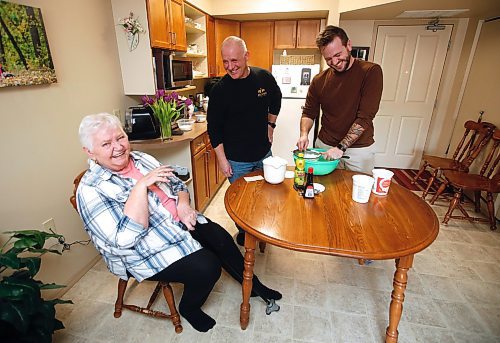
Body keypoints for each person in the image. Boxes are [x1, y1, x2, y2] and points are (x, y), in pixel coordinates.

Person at [76, 113, 281, 333]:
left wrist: (183, 206)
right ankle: (189, 307)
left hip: (179, 221)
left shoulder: (141, 159)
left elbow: (178, 187)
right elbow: (124, 240)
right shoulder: (90, 190)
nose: (118, 147)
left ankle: (254, 286)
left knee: (221, 239)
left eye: (120, 138)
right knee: (208, 267)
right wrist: (140, 186)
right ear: (89, 152)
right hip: (145, 248)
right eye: (106, 144)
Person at [207, 36, 282, 245]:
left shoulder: (263, 78)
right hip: (237, 160)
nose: (230, 67)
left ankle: (263, 229)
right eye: (226, 61)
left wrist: (271, 126)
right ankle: (245, 231)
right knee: (241, 203)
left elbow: (276, 99)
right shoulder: (219, 91)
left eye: (235, 60)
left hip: (263, 154)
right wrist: (222, 160)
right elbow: (213, 129)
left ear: (246, 56)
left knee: (266, 196)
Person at [296, 26, 383, 174]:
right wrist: (304, 134)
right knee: (324, 191)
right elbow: (309, 113)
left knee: (356, 194)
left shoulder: (370, 72)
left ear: (348, 45)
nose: (335, 62)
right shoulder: (319, 80)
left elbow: (365, 117)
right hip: (324, 146)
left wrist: (341, 148)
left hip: (358, 151)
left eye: (338, 54)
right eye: (328, 59)